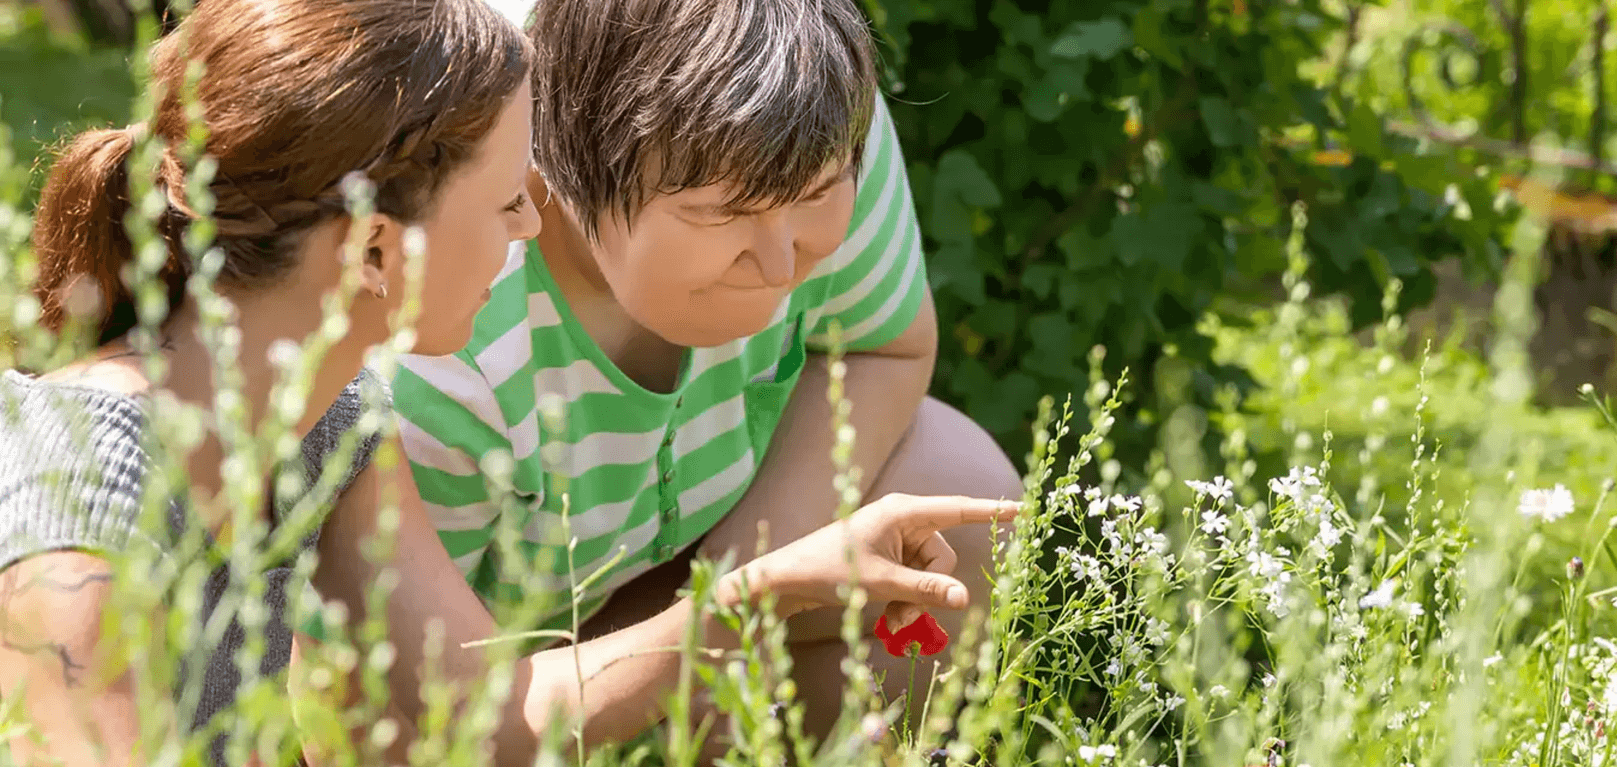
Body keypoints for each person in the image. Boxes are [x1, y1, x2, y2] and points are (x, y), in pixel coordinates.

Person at [0, 0, 1017, 764]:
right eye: (504, 205)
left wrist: (766, 588)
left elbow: (496, 716)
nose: (534, 227)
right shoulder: (82, 523)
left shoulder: (330, 423)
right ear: (373, 252)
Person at [393, 0, 1026, 744]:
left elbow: (882, 347)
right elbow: (403, 710)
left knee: (959, 488)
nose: (782, 264)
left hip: (696, 557)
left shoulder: (804, 108)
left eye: (817, 194)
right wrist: (692, 647)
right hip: (493, 664)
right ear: (555, 174)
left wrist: (734, 614)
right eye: (722, 212)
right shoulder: (442, 327)